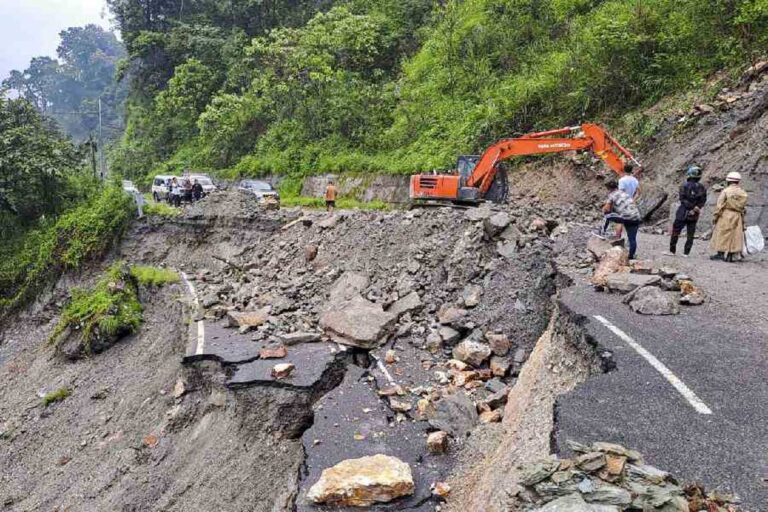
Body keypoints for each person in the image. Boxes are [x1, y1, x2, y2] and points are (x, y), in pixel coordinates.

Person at [665, 165, 707, 257]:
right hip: (695, 213)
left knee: (676, 231)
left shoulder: (684, 185)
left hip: (683, 211)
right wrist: (696, 208)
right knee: (690, 233)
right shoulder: (702, 187)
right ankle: (686, 253)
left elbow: (682, 199)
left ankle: (672, 251)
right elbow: (703, 200)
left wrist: (691, 207)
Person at [710, 171, 748, 262]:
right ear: (738, 181)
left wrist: (715, 217)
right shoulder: (743, 193)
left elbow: (719, 205)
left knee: (723, 234)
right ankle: (731, 255)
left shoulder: (726, 191)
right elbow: (743, 207)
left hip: (726, 214)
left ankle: (721, 254)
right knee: (735, 235)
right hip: (737, 215)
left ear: (728, 181)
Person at [601, 178, 642, 260]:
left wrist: (604, 208)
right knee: (632, 238)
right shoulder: (625, 194)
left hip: (626, 217)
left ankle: (602, 232)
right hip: (636, 217)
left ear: (609, 189)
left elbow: (607, 209)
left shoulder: (612, 195)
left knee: (607, 216)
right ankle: (631, 257)